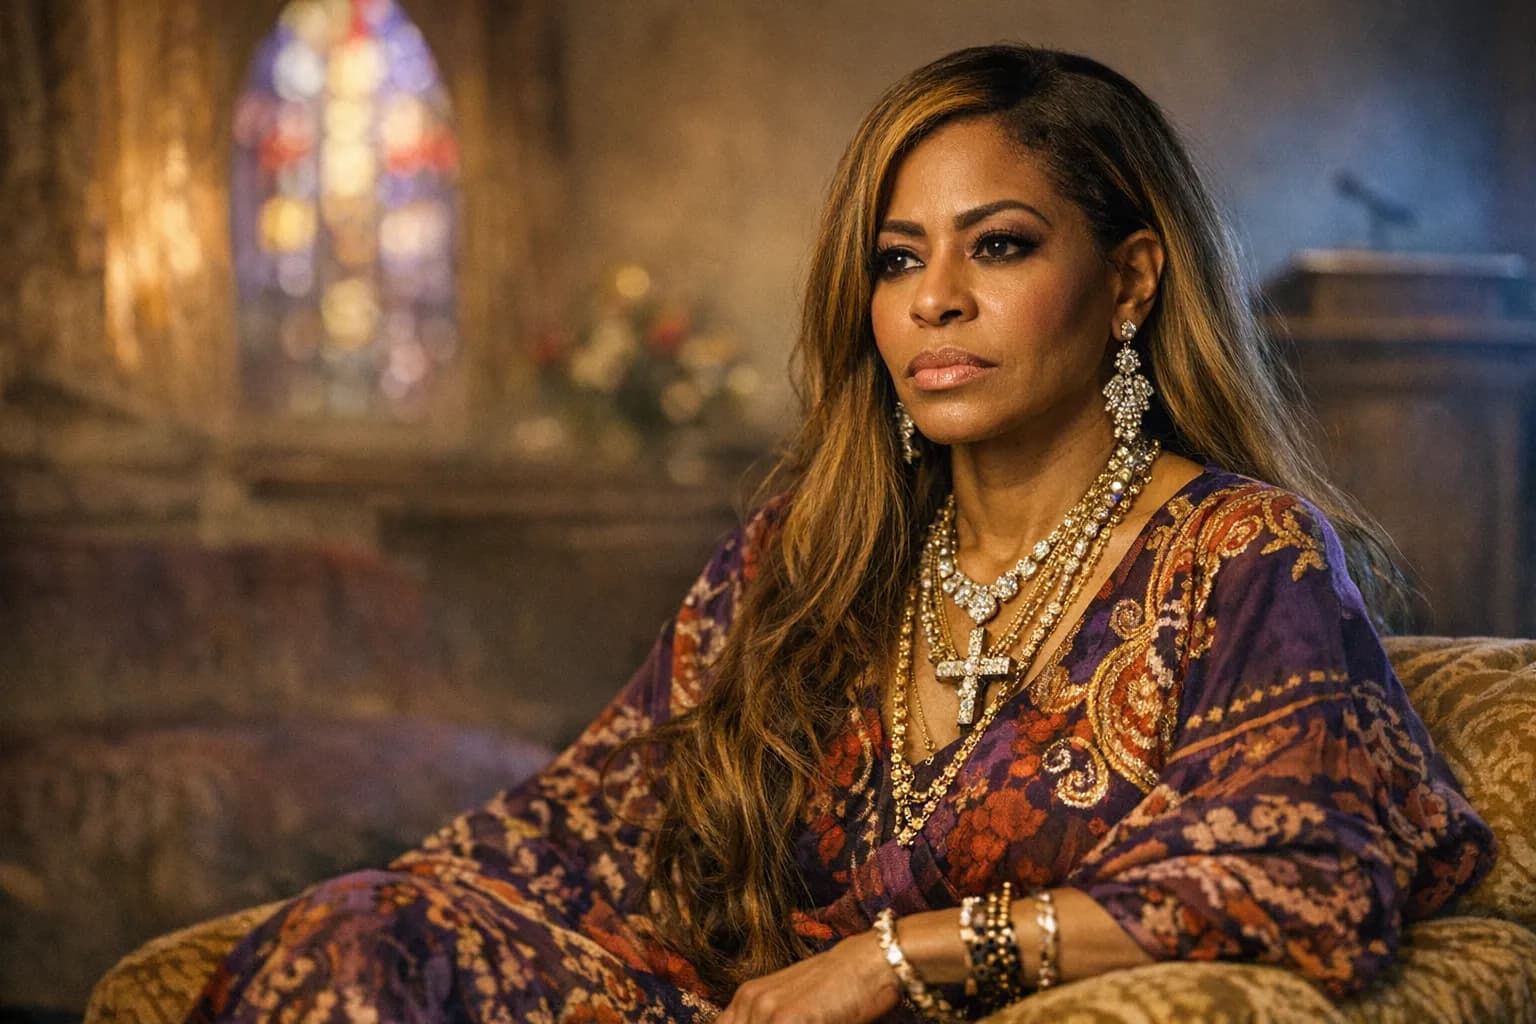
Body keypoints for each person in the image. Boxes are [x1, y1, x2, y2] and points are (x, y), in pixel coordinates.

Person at [185, 44, 1492, 1023]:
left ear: (1132, 278)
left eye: (1002, 245)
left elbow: (1301, 871)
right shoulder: (802, 562)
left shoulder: (1239, 555)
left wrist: (894, 955)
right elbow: (582, 828)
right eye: (896, 259)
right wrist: (367, 920)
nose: (937, 301)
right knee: (359, 940)